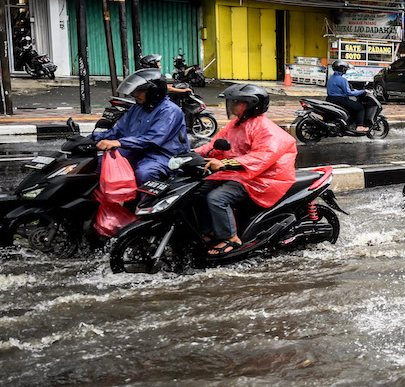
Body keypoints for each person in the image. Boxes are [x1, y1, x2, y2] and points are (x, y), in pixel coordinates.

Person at [195, 84, 297, 256]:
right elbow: (214, 146)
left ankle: (231, 238)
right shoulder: (235, 125)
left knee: (216, 198)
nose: (231, 106)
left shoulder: (266, 129)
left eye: (236, 102)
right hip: (238, 173)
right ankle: (211, 230)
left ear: (251, 105)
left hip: (262, 178)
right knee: (196, 191)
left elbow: (261, 157)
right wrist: (191, 154)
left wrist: (225, 164)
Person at [92, 69, 188, 185]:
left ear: (153, 92)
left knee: (144, 173)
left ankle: (143, 197)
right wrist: (91, 138)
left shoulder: (169, 111)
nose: (135, 94)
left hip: (162, 156)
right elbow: (118, 130)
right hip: (137, 151)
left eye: (139, 91)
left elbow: (152, 139)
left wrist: (119, 142)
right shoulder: (138, 107)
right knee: (98, 164)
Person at [326, 62, 369, 132]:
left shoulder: (331, 78)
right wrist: (363, 91)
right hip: (339, 100)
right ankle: (360, 127)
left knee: (351, 108)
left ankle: (349, 125)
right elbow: (349, 93)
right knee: (360, 107)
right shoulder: (342, 79)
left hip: (330, 99)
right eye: (345, 69)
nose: (345, 70)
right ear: (342, 69)